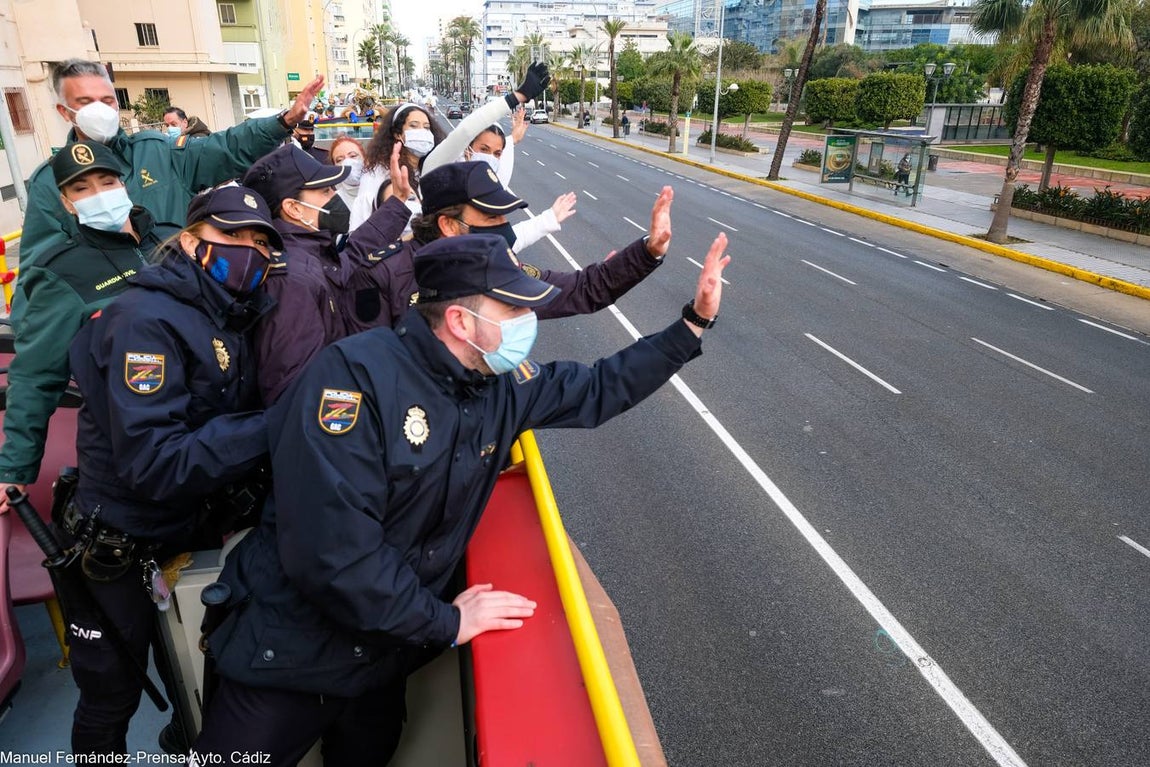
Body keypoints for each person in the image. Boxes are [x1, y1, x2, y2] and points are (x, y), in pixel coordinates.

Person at [190, 230, 729, 767]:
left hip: (380, 656)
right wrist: (443, 623)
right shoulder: (353, 382)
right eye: (513, 308)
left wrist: (691, 325)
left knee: (367, 754)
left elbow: (596, 388)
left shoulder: (495, 382)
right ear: (460, 322)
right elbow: (333, 553)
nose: (527, 322)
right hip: (289, 655)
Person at [63, 185, 283, 757]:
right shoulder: (144, 321)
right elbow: (155, 462)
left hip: (187, 530)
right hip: (121, 540)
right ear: (190, 241)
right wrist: (276, 426)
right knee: (111, 694)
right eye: (231, 236)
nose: (249, 250)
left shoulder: (231, 311)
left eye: (260, 240)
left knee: (192, 665)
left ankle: (184, 739)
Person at [0, 141, 180, 510]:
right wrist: (15, 469)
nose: (99, 194)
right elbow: (36, 376)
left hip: (200, 426)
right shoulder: (61, 273)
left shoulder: (171, 240)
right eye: (81, 189)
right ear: (66, 203)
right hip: (132, 441)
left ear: (124, 184)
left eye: (107, 181)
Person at [18, 59, 323, 269]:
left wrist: (284, 121)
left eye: (107, 100)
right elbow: (42, 272)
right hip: (116, 320)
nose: (100, 109)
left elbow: (225, 149)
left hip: (185, 295)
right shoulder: (49, 181)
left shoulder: (156, 150)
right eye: (85, 102)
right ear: (64, 111)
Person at [343, 160, 666, 334]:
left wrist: (647, 251)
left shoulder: (499, 269)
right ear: (449, 225)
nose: (502, 226)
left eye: (503, 215)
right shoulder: (381, 275)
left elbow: (581, 290)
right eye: (490, 215)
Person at [241, 145, 414, 403]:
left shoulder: (307, 252)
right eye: (325, 190)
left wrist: (397, 203)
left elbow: (353, 254)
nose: (335, 195)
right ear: (293, 208)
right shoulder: (291, 283)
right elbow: (294, 392)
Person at [350, 62, 551, 232]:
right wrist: (515, 97)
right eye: (413, 125)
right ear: (396, 133)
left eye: (426, 126)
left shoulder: (431, 169)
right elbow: (359, 236)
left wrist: (513, 128)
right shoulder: (377, 174)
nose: (422, 131)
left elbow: (467, 134)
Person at [329, 135, 366, 207]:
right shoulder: (333, 203)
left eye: (353, 156)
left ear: (364, 158)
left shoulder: (381, 191)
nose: (347, 162)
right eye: (339, 160)